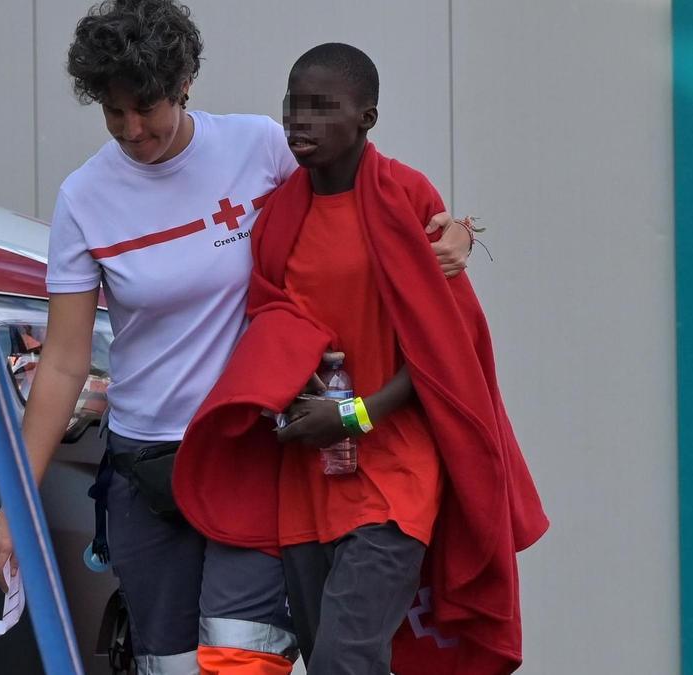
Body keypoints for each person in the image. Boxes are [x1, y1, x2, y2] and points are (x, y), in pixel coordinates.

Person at [0, 3, 474, 672]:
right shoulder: (85, 197)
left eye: (147, 107)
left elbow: (372, 192)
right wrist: (14, 498)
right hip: (146, 470)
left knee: (241, 662)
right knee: (174, 666)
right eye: (113, 112)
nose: (133, 130)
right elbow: (66, 363)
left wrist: (447, 230)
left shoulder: (258, 149)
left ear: (185, 82)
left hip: (246, 448)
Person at [172, 43, 548, 675]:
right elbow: (273, 329)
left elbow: (446, 350)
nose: (301, 122)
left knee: (346, 659)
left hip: (396, 469)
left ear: (366, 118)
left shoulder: (406, 195)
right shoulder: (277, 217)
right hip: (310, 476)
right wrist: (288, 392)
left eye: (324, 108)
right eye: (295, 105)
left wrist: (355, 416)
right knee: (332, 657)